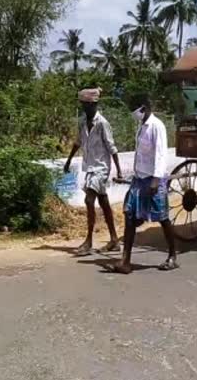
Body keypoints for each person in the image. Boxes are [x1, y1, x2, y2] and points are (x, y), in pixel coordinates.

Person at [114, 94, 177, 274]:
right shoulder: (142, 127)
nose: (134, 113)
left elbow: (160, 154)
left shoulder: (157, 126)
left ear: (144, 108)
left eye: (136, 110)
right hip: (139, 178)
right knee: (129, 215)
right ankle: (125, 261)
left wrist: (156, 180)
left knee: (162, 218)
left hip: (153, 179)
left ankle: (172, 255)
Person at [64, 88, 123, 256]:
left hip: (101, 168)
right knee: (103, 202)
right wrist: (68, 160)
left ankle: (88, 241)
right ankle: (114, 240)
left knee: (89, 200)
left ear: (93, 105)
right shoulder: (83, 122)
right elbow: (78, 142)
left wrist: (118, 170)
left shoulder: (102, 123)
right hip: (89, 167)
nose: (84, 108)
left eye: (86, 105)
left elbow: (112, 147)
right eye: (82, 105)